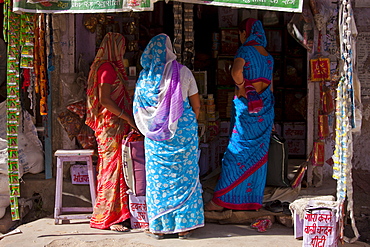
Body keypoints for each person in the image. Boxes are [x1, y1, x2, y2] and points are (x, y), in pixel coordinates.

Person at [133, 33, 204, 239]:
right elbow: (196, 105)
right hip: (184, 133)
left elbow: (139, 110)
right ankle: (184, 227)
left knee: (158, 180)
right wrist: (184, 125)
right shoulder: (184, 72)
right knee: (185, 178)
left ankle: (159, 227)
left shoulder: (144, 78)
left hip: (156, 139)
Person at [205, 18, 275, 211]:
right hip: (265, 109)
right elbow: (271, 88)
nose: (240, 36)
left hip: (248, 109)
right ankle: (249, 200)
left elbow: (236, 71)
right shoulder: (268, 56)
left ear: (246, 33)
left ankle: (220, 201)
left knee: (235, 154)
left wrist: (242, 86)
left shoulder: (245, 50)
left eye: (240, 33)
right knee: (258, 154)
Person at [86, 32, 137, 232]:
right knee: (111, 169)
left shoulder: (106, 67)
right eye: (122, 47)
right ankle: (109, 218)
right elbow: (105, 100)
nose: (123, 51)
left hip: (113, 126)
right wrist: (126, 116)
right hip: (111, 126)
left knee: (115, 169)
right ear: (114, 48)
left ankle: (116, 215)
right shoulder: (107, 68)